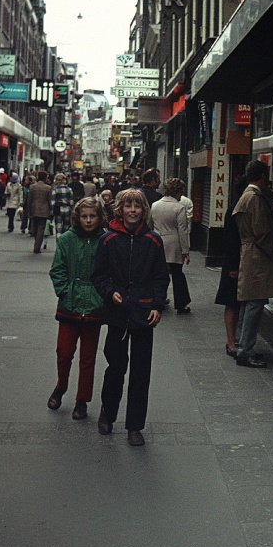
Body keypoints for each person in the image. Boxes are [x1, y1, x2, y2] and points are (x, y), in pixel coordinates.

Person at [91, 188, 169, 445]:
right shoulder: (108, 240)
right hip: (117, 312)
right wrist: (109, 291)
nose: (133, 210)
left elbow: (160, 277)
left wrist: (157, 305)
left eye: (137, 206)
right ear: (120, 210)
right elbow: (99, 275)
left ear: (143, 210)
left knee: (140, 371)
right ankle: (108, 413)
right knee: (115, 367)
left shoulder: (154, 240)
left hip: (144, 313)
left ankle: (135, 425)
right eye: (128, 206)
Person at [47, 197, 108, 420]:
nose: (89, 220)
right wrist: (65, 291)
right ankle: (60, 387)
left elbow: (109, 272)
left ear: (99, 217)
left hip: (94, 307)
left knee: (88, 359)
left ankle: (82, 400)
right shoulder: (67, 240)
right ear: (77, 217)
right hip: (70, 306)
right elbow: (58, 270)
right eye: (84, 216)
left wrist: (101, 297)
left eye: (93, 216)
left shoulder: (105, 240)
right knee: (63, 354)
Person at [232, 160, 273, 368]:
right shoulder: (254, 198)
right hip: (257, 255)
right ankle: (245, 349)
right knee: (254, 303)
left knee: (249, 301)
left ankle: (241, 344)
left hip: (249, 252)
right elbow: (262, 230)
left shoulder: (245, 196)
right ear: (261, 176)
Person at [215, 175, 247, 357]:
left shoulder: (238, 206)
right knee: (232, 302)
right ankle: (231, 342)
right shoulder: (236, 208)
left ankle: (234, 340)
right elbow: (231, 240)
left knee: (235, 302)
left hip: (235, 262)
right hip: (233, 263)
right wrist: (233, 266)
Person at [150, 178, 192, 314]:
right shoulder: (179, 207)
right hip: (174, 244)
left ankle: (158, 299)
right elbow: (183, 230)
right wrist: (185, 250)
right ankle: (181, 303)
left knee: (158, 274)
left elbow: (150, 224)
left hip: (157, 242)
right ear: (178, 192)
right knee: (177, 275)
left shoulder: (155, 205)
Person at [26, 169, 52, 253]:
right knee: (41, 228)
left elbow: (29, 200)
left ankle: (36, 243)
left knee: (36, 227)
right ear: (45, 178)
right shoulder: (48, 188)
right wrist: (51, 211)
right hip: (44, 210)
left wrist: (29, 210)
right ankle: (37, 246)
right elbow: (49, 200)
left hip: (34, 209)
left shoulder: (32, 187)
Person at [50, 172, 74, 237]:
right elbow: (71, 202)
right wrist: (72, 211)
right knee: (66, 227)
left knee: (58, 227)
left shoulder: (55, 189)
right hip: (67, 210)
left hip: (58, 210)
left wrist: (51, 212)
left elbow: (53, 202)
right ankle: (65, 242)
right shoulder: (69, 189)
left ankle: (59, 243)